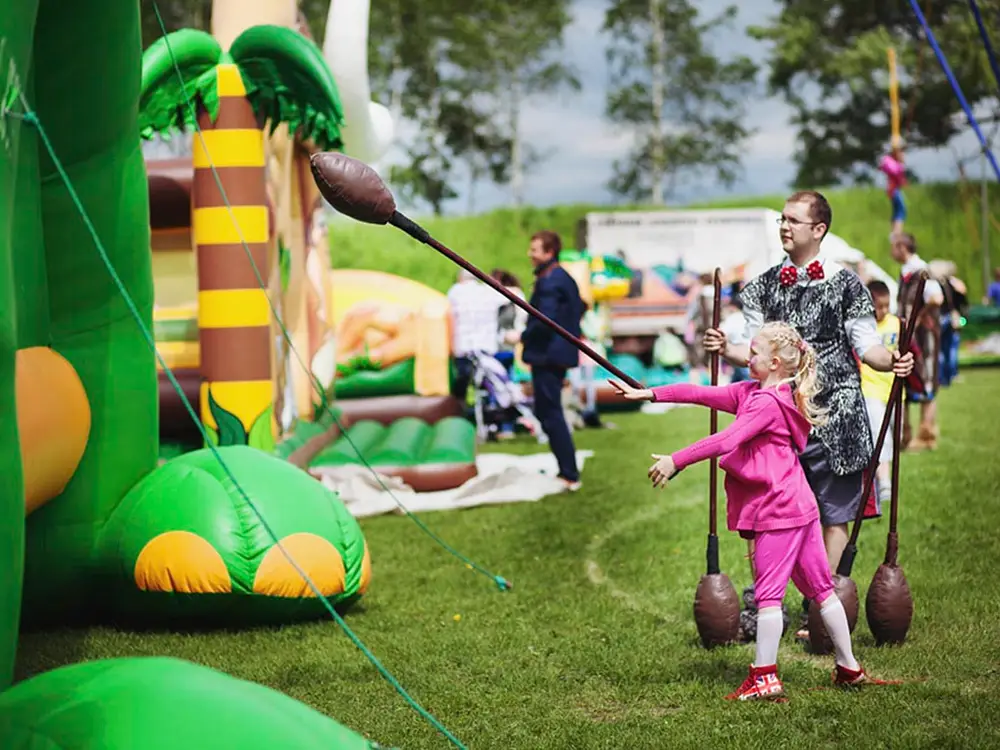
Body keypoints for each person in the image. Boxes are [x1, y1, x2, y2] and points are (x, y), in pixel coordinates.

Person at [609, 322, 874, 700]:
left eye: (753, 353)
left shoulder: (766, 403)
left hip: (778, 509)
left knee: (769, 596)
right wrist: (649, 392)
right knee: (821, 589)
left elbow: (728, 438)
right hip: (799, 505)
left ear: (776, 362)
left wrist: (676, 460)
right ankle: (849, 668)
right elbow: (700, 393)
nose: (746, 357)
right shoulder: (755, 392)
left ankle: (764, 676)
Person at [702, 190, 914, 641]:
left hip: (839, 415)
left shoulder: (848, 285)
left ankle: (815, 609)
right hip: (778, 414)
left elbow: (867, 345)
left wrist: (892, 359)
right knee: (769, 512)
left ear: (818, 230)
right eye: (782, 218)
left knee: (834, 513)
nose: (784, 226)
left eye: (794, 221)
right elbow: (751, 349)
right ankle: (767, 600)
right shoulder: (760, 285)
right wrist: (727, 347)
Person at [521, 230, 586, 491]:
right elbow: (580, 306)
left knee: (550, 413)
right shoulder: (562, 277)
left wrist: (521, 335)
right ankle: (567, 469)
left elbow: (544, 320)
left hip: (548, 356)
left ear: (549, 253)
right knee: (546, 411)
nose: (530, 254)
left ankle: (569, 473)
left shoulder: (550, 281)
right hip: (557, 354)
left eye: (535, 249)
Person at [890, 232, 945, 451]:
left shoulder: (922, 270)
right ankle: (906, 435)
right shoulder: (907, 271)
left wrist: (920, 317)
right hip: (908, 337)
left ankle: (927, 434)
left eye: (894, 246)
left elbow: (936, 298)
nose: (891, 251)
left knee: (926, 380)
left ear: (902, 247)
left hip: (924, 337)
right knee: (907, 380)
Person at [859, 280, 900, 506]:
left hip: (893, 389)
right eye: (878, 306)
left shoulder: (896, 324)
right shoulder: (864, 328)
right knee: (880, 436)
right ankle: (884, 482)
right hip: (870, 388)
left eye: (886, 306)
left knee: (894, 435)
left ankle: (880, 475)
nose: (882, 311)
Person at [446, 269, 508, 407]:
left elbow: (448, 314)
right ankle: (491, 412)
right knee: (489, 382)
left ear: (460, 279)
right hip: (487, 345)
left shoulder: (455, 291)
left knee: (463, 381)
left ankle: (460, 410)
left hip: (463, 346)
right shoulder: (487, 291)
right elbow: (511, 297)